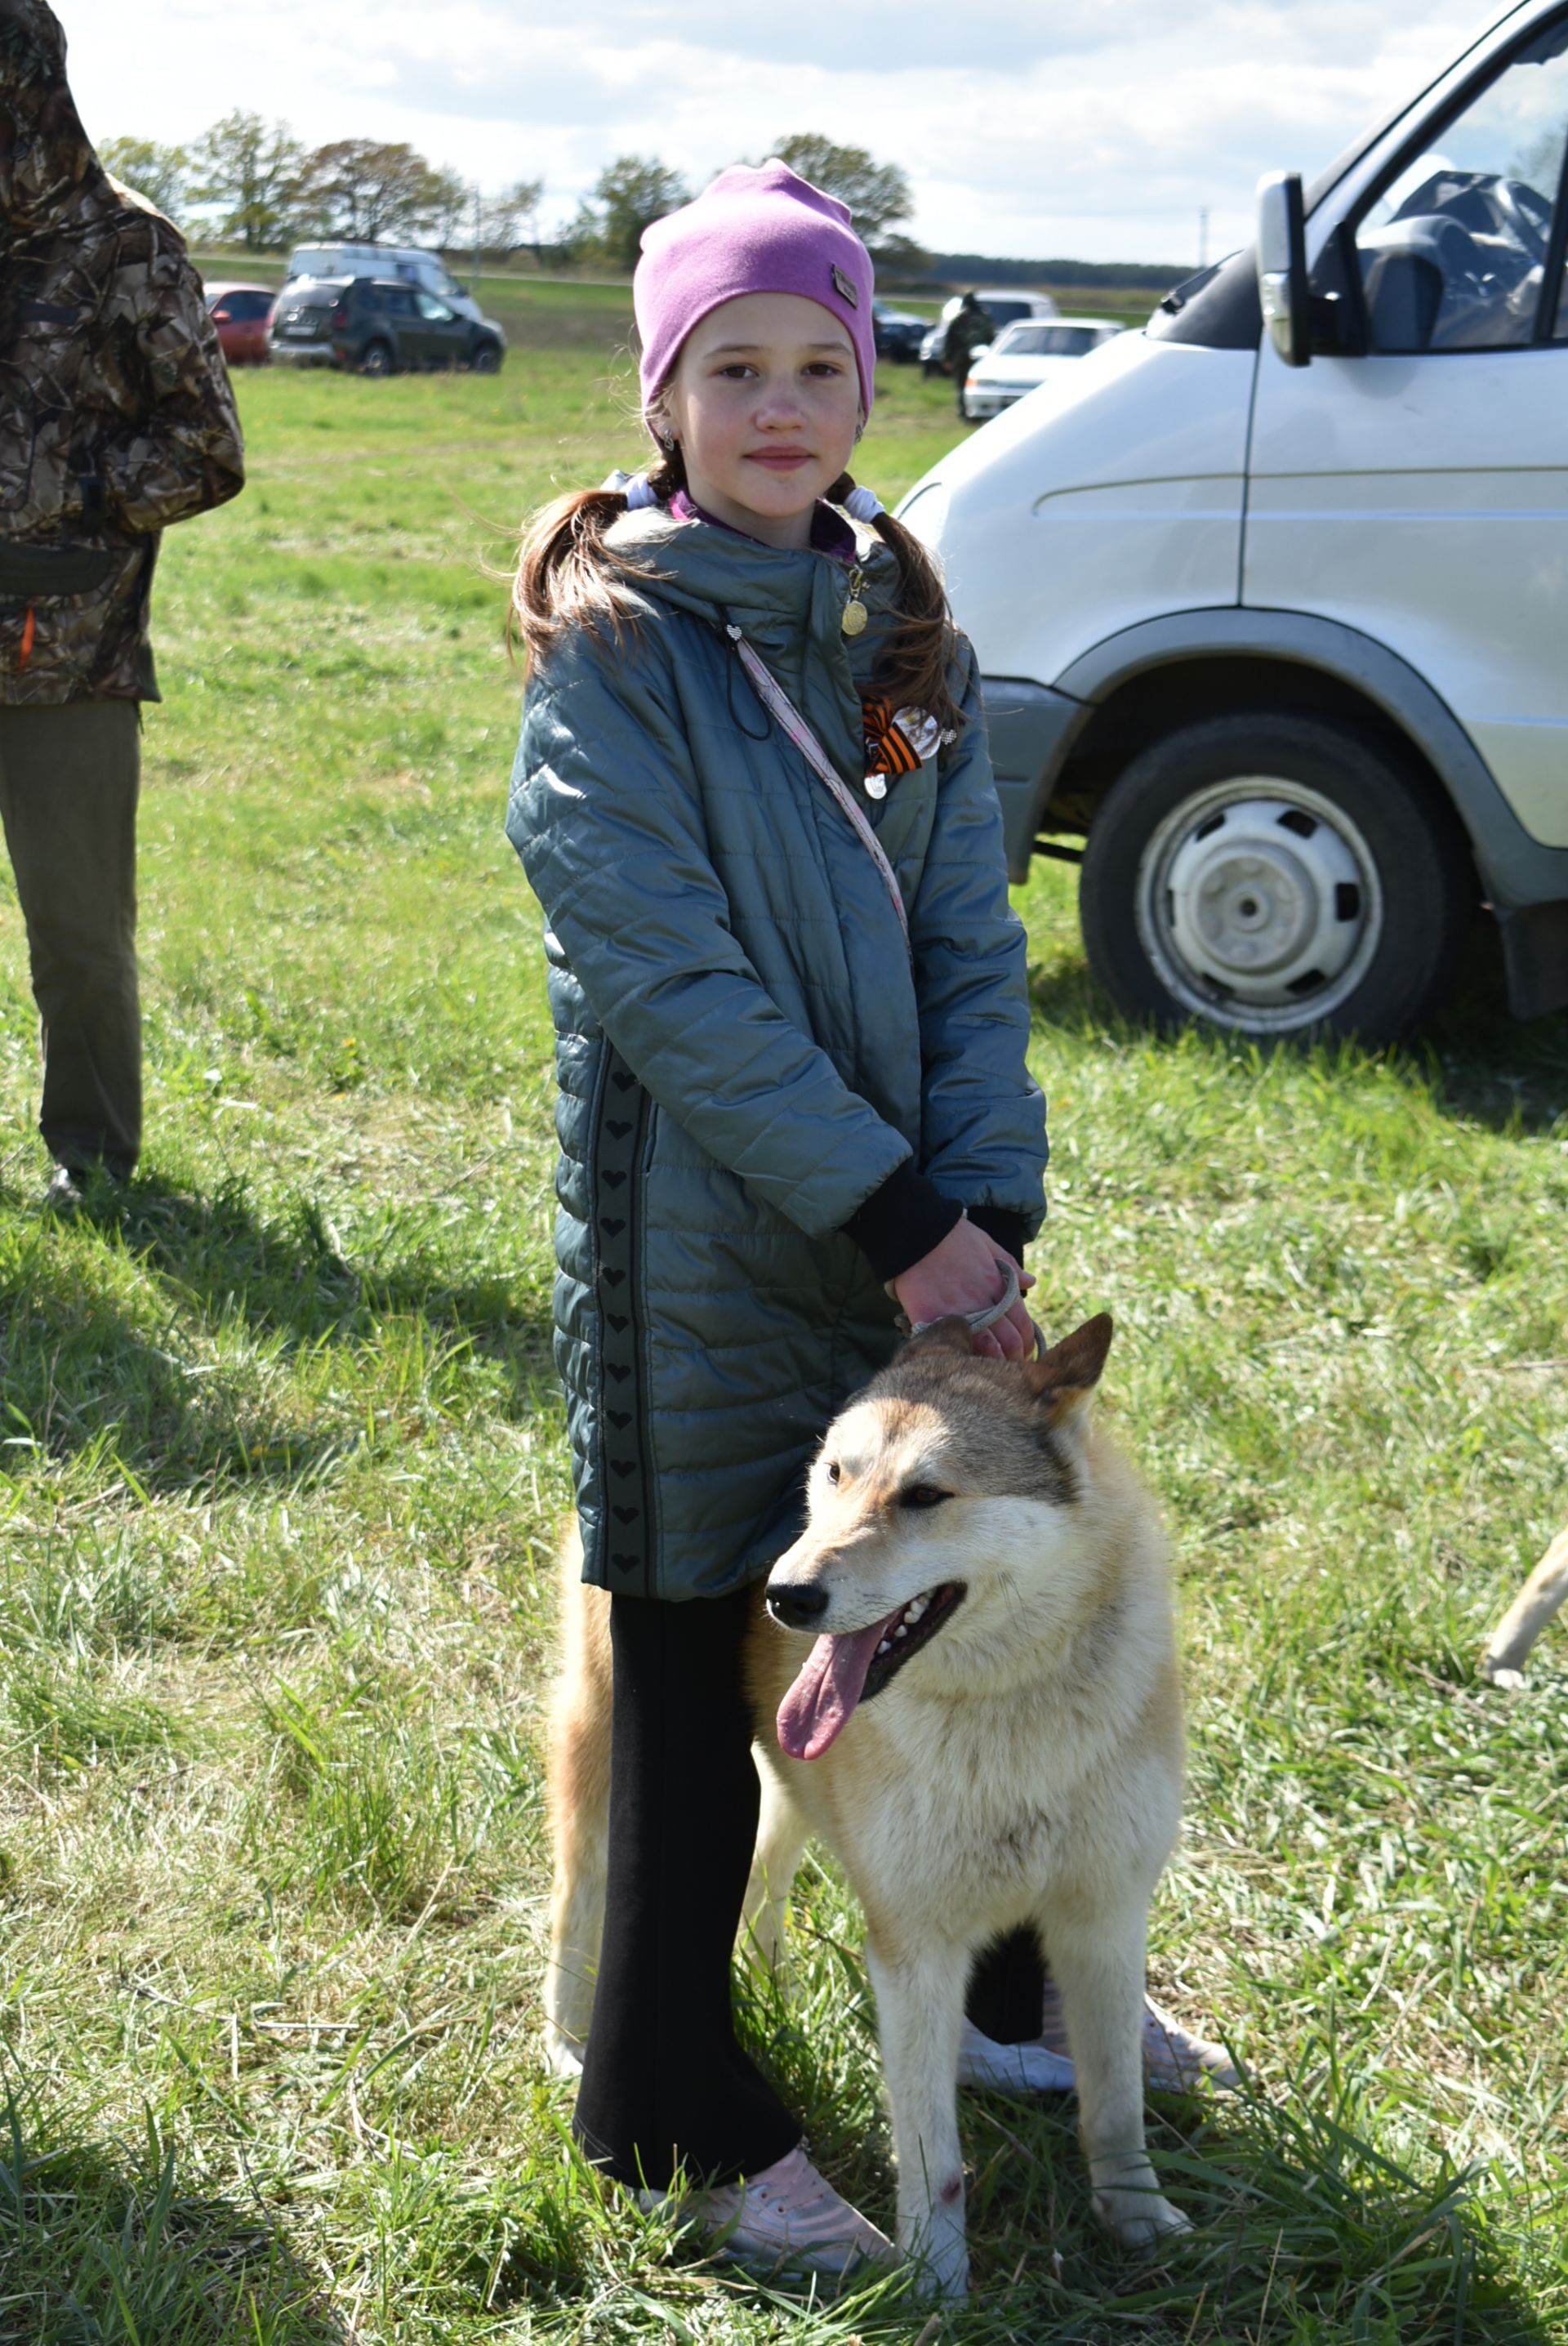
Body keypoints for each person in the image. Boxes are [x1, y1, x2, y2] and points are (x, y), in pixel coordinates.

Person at [507, 162, 1223, 2275]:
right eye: (736, 367)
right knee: (680, 1666)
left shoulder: (904, 635)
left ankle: (1002, 1987)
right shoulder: (613, 663)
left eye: (822, 362)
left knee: (940, 1629)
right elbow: (676, 990)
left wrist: (983, 1196)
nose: (784, 402)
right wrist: (901, 1206)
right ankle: (667, 2097)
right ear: (665, 399)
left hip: (905, 1253)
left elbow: (968, 958)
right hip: (696, 1271)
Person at [0, 0, 245, 1206]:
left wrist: (57, 491)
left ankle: (92, 1164)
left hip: (69, 657)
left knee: (78, 941)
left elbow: (209, 451)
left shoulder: (130, 248)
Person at [942, 289, 990, 413]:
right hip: (981, 358)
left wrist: (947, 358)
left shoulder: (959, 319)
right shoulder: (985, 318)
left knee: (961, 386)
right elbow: (991, 338)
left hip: (961, 359)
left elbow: (950, 340)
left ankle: (964, 411)